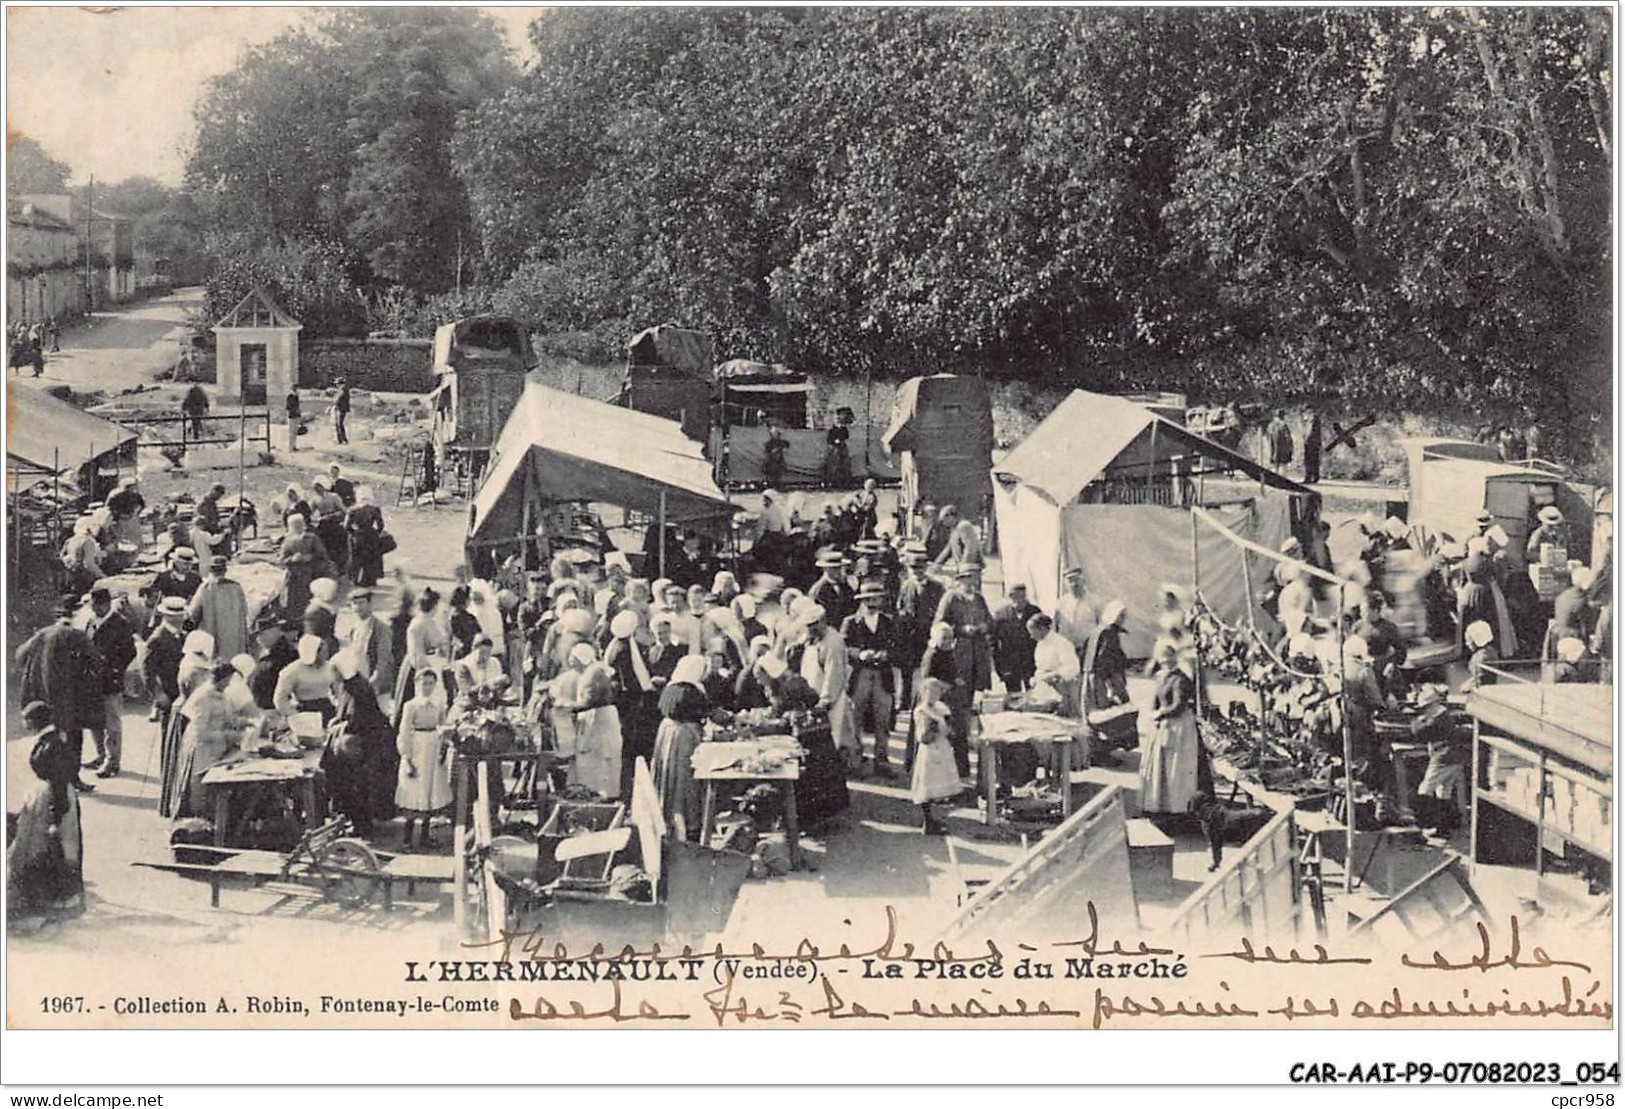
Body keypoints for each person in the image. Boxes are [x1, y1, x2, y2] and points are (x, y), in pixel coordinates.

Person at [14, 599, 102, 794]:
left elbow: (20, 656)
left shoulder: (41, 634)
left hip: (45, 699)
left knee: (50, 738)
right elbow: (95, 661)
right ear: (74, 616)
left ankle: (52, 777)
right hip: (71, 699)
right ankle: (73, 778)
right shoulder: (77, 636)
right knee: (74, 739)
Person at [8, 702, 85, 918]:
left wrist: (56, 816)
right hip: (46, 796)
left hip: (53, 799)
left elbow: (58, 783)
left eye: (26, 719)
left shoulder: (52, 744)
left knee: (54, 846)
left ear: (34, 721)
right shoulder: (50, 739)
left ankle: (56, 897)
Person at [172, 662, 243, 819]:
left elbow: (228, 717)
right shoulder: (203, 697)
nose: (229, 683)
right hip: (201, 748)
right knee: (199, 785)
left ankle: (212, 816)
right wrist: (226, 735)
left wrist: (241, 723)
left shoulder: (222, 694)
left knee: (213, 786)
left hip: (215, 746)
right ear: (220, 679)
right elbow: (200, 732)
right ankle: (198, 818)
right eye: (227, 679)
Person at [841, 582, 899, 776]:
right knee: (855, 718)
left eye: (876, 599)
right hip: (861, 674)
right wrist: (859, 654)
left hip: (883, 675)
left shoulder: (888, 622)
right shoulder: (851, 622)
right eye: (868, 600)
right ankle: (855, 760)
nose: (872, 603)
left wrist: (885, 654)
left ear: (881, 600)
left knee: (883, 719)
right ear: (862, 601)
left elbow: (898, 648)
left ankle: (881, 760)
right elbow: (844, 647)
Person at [651, 655, 711, 840]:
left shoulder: (670, 687)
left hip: (667, 733)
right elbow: (707, 712)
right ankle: (688, 821)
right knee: (684, 780)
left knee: (670, 777)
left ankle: (669, 817)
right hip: (684, 737)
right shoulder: (690, 691)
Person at [1141, 642, 1200, 817]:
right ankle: (1158, 804)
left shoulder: (1180, 679)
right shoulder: (1161, 676)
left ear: (1174, 660)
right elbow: (1156, 698)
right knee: (1158, 766)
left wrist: (1160, 713)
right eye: (1163, 660)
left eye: (1169, 660)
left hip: (1178, 725)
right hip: (1162, 724)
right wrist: (1152, 712)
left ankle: (1177, 807)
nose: (1166, 664)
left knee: (1174, 768)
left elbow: (1178, 705)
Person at [395, 669, 451, 848]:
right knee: (414, 791)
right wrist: (407, 758)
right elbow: (404, 731)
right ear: (416, 684)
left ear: (435, 685)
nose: (426, 687)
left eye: (430, 683)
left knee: (430, 791)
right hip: (417, 748)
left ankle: (425, 836)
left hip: (433, 748)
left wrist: (443, 748)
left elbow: (443, 726)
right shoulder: (411, 705)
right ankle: (407, 839)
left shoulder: (439, 703)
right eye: (423, 683)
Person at [85, 586, 137, 779]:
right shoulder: (91, 622)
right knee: (94, 720)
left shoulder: (120, 623)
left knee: (111, 722)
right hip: (92, 680)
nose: (96, 609)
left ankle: (112, 761)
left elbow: (129, 652)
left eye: (99, 605)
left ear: (107, 604)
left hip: (110, 680)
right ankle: (100, 754)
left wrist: (116, 669)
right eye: (93, 605)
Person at [800, 604, 859, 767]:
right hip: (813, 695)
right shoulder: (814, 639)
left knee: (834, 738)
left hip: (830, 700)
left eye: (813, 625)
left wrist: (825, 701)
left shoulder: (833, 642)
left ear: (822, 621)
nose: (810, 629)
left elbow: (834, 675)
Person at [933, 564, 994, 703]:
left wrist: (986, 626)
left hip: (978, 649)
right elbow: (939, 622)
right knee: (958, 683)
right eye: (970, 578)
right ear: (961, 580)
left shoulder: (979, 599)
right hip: (958, 648)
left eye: (976, 578)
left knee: (975, 685)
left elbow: (990, 620)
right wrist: (961, 629)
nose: (974, 581)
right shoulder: (951, 597)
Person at [1082, 600, 1138, 752]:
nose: (1121, 619)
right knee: (1110, 715)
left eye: (1123, 616)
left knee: (1092, 714)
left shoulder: (1097, 630)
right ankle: (1103, 752)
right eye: (1120, 615)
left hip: (1090, 676)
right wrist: (1114, 685)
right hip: (1102, 679)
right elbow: (1107, 659)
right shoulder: (1109, 633)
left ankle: (1095, 751)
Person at [910, 678, 961, 836]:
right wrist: (940, 731)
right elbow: (923, 737)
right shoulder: (922, 711)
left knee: (940, 784)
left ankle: (933, 819)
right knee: (927, 785)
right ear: (923, 692)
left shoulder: (941, 708)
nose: (933, 695)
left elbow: (952, 729)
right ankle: (927, 820)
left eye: (937, 691)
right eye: (930, 691)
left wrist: (949, 730)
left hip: (942, 750)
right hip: (929, 752)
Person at [393, 589, 448, 727]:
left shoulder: (429, 621)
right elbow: (415, 653)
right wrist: (426, 672)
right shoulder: (418, 623)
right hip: (418, 669)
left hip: (431, 664)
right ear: (434, 605)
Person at [187, 554, 250, 662]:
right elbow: (245, 610)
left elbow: (194, 612)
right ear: (225, 570)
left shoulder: (206, 587)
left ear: (210, 570)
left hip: (212, 637)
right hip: (234, 640)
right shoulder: (236, 587)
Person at [144, 596, 188, 748]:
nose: (180, 620)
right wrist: (158, 694)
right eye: (175, 617)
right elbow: (147, 672)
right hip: (169, 695)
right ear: (166, 617)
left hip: (183, 695)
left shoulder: (182, 636)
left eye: (181, 616)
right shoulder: (157, 639)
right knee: (170, 741)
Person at [273, 635, 339, 725]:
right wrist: (294, 715)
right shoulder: (292, 671)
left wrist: (338, 707)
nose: (326, 653)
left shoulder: (330, 667)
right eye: (323, 651)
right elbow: (280, 698)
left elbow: (337, 691)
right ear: (315, 652)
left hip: (327, 710)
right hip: (305, 711)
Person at [277, 513, 330, 621]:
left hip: (311, 574)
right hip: (294, 576)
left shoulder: (312, 538)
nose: (298, 527)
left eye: (299, 524)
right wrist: (292, 559)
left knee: (310, 599)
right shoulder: (287, 541)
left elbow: (323, 555)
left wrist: (311, 557)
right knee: (293, 600)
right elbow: (281, 560)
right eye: (295, 525)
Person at [346, 588, 397, 701]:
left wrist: (374, 680)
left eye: (362, 603)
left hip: (375, 682)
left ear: (370, 604)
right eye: (355, 604)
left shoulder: (381, 628)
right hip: (358, 678)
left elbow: (384, 659)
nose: (358, 607)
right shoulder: (354, 627)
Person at [1029, 612, 1082, 716]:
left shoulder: (1061, 643)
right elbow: (1040, 666)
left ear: (1042, 628)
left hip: (1064, 688)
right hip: (1046, 689)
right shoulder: (1041, 644)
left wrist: (1053, 675)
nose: (1031, 636)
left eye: (1033, 632)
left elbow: (1073, 667)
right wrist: (1036, 678)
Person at [991, 583, 1041, 693]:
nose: (1019, 600)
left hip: (1031, 661)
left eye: (1022, 597)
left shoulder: (1034, 612)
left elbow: (1042, 637)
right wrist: (999, 664)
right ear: (1010, 597)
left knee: (1034, 693)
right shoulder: (1001, 614)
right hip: (1009, 662)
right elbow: (993, 642)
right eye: (1015, 597)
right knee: (1013, 696)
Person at [344, 486, 387, 587]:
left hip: (357, 536)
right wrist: (376, 532)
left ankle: (355, 579)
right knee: (372, 558)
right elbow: (381, 525)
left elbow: (346, 526)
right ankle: (371, 579)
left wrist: (354, 532)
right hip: (371, 535)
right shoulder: (375, 509)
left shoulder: (352, 510)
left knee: (356, 558)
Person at [1054, 567, 1098, 660]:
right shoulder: (1061, 603)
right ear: (1065, 584)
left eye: (1077, 580)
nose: (1074, 584)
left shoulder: (1095, 601)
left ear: (1083, 581)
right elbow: (1055, 626)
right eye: (1070, 581)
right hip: (1067, 649)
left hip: (1088, 649)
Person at [60, 515, 106, 595]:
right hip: (86, 579)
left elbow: (62, 556)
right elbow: (88, 564)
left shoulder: (70, 540)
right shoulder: (88, 541)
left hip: (73, 576)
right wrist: (103, 577)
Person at [763, 423, 789, 488]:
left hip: (779, 462)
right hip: (771, 462)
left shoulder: (781, 442)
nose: (775, 435)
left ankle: (778, 484)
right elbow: (768, 453)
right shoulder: (768, 444)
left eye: (777, 433)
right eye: (774, 434)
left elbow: (787, 445)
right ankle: (771, 483)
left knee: (779, 472)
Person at [284, 387, 302, 452]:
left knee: (295, 432)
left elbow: (298, 406)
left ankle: (294, 446)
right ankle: (290, 447)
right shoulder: (289, 397)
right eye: (295, 390)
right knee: (291, 433)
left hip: (297, 416)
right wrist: (294, 410)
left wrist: (299, 414)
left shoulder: (296, 397)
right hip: (291, 416)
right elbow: (288, 407)